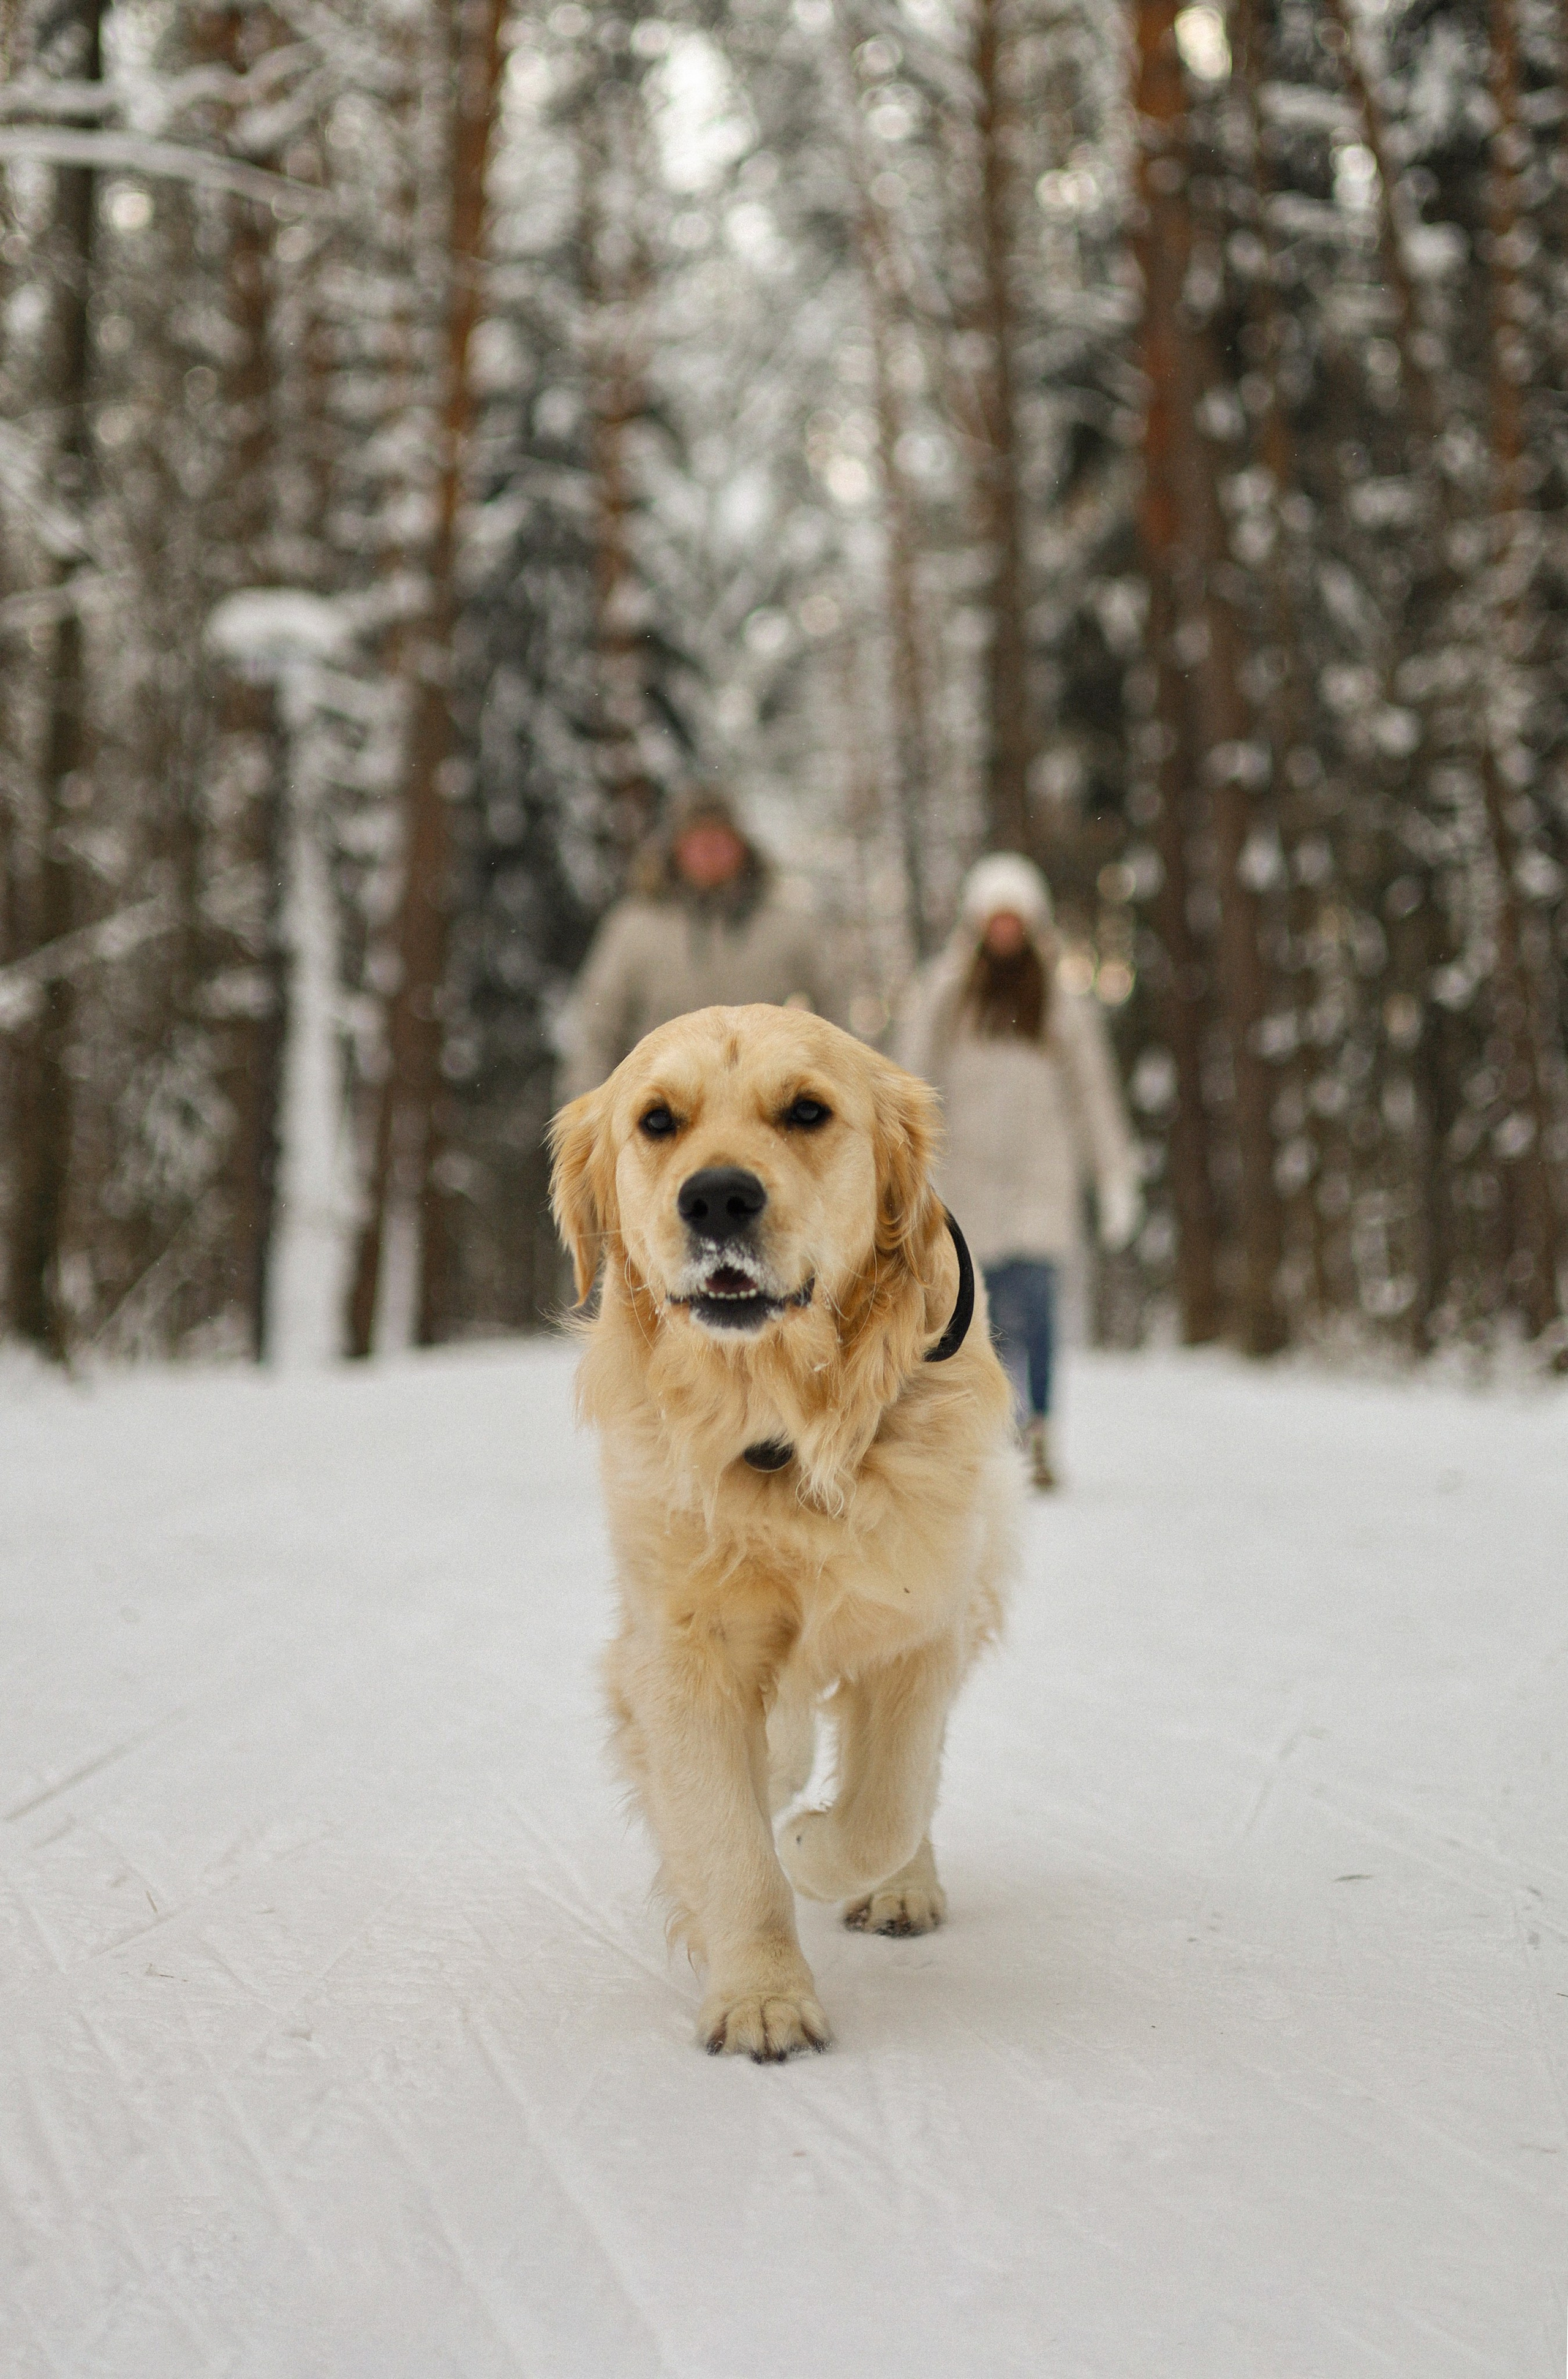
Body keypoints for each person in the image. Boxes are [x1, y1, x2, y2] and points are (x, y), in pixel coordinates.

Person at [897, 852, 1140, 1490]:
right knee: (978, 1319)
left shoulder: (1060, 1003)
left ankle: (1040, 1434)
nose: (1004, 933)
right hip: (965, 1184)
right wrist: (895, 1169)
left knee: (1035, 1310)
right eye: (994, 920)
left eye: (1015, 920)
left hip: (1040, 1180)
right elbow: (907, 1081)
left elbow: (1092, 1092)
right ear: (978, 924)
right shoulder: (947, 995)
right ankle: (994, 1433)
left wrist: (1112, 1174)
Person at [557, 790, 846, 1101]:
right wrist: (587, 1118)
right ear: (676, 850)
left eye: (721, 838)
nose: (710, 850)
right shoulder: (633, 930)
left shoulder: (789, 928)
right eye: (698, 840)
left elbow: (839, 1022)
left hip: (771, 1119)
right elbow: (596, 1031)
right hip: (665, 1122)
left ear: (742, 847)